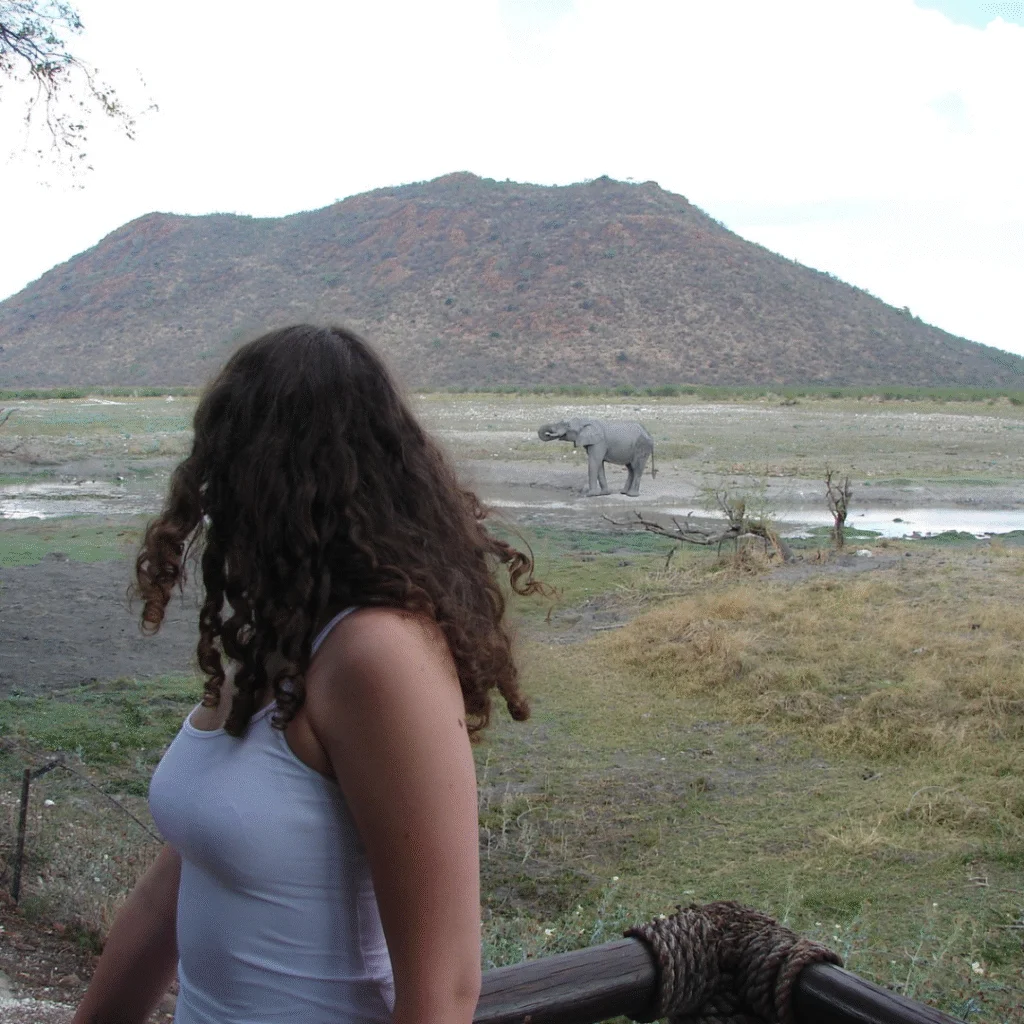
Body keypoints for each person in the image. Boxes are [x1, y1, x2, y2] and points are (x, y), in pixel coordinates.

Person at [73, 325, 544, 1024]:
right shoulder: (279, 637)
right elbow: (180, 877)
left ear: (277, 479)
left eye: (226, 467)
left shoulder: (378, 653)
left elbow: (443, 989)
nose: (210, 497)